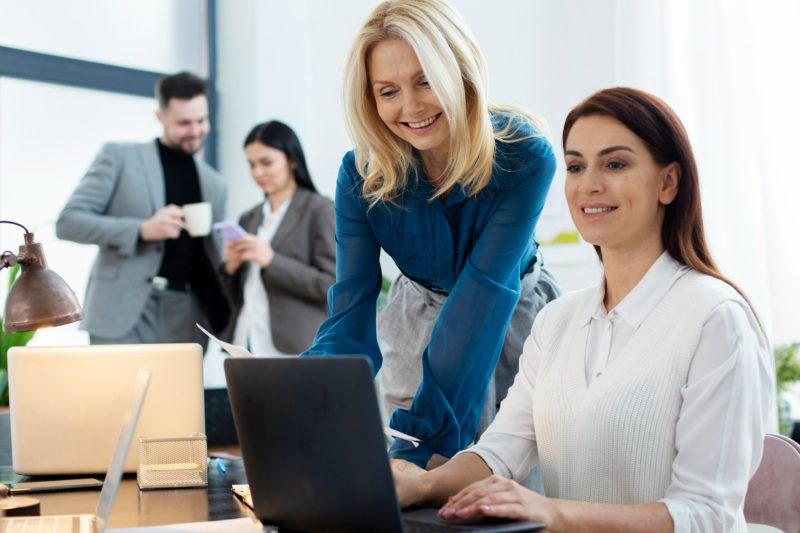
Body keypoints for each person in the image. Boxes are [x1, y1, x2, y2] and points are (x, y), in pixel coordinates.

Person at [394, 87, 776, 532]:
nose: (589, 183)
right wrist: (421, 484)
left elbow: (707, 515)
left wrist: (551, 512)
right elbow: (502, 449)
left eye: (615, 164)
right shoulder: (557, 320)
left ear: (668, 182)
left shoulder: (716, 319)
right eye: (576, 166)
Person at [302, 0, 560, 470]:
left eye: (425, 80)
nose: (411, 107)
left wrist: (418, 444)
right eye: (388, 91)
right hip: (415, 312)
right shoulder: (360, 175)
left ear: (461, 72)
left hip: (512, 315)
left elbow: (482, 297)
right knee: (414, 483)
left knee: (512, 476)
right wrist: (313, 400)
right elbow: (351, 307)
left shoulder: (524, 155)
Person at [56, 71, 231, 346]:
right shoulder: (119, 157)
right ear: (160, 118)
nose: (196, 131)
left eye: (202, 121)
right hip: (122, 308)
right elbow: (68, 222)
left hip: (187, 313)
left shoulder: (215, 184)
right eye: (184, 123)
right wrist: (141, 229)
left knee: (177, 390)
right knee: (117, 390)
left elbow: (212, 254)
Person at [220, 121, 335, 355]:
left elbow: (331, 284)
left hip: (293, 345)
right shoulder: (248, 218)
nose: (257, 172)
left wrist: (271, 260)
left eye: (266, 162)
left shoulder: (319, 209)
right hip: (246, 340)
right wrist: (230, 270)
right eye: (251, 164)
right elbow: (237, 292)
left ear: (291, 159)